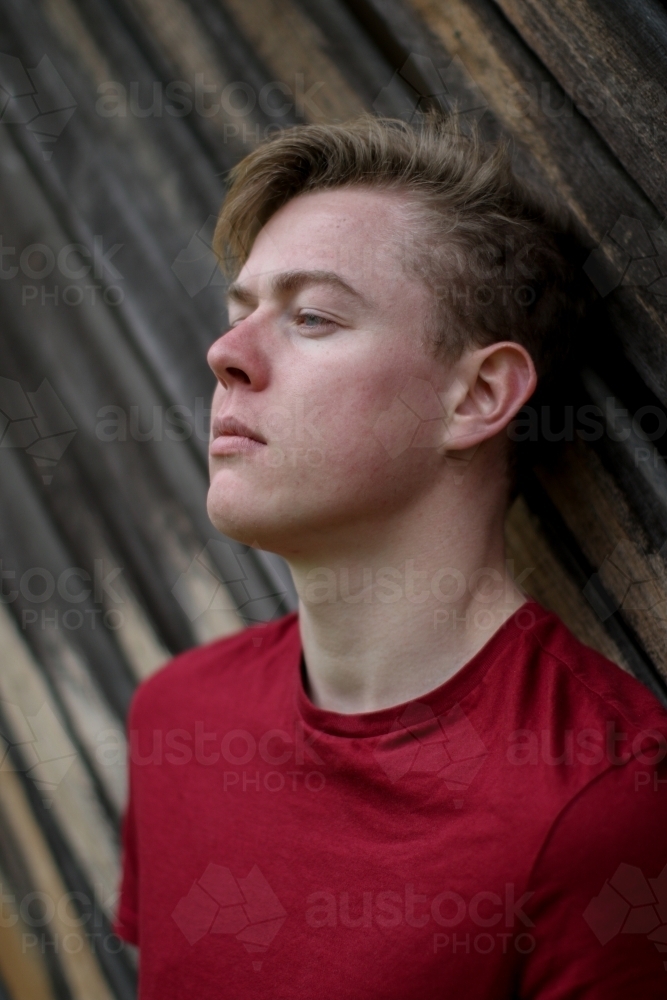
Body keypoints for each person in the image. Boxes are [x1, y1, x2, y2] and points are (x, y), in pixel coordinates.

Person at [113, 114, 667, 998]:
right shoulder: (179, 717)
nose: (225, 355)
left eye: (313, 316)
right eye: (238, 312)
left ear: (477, 395)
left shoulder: (602, 805)